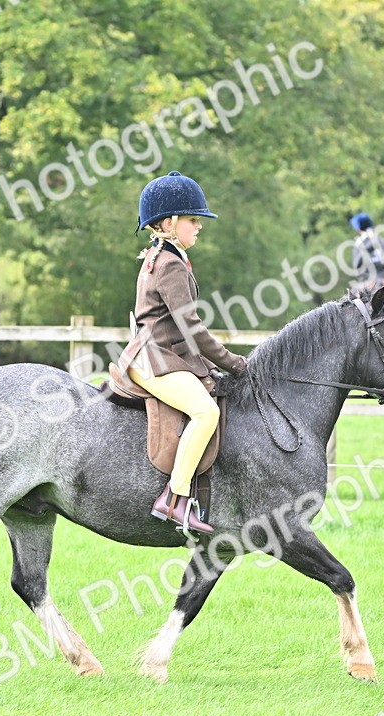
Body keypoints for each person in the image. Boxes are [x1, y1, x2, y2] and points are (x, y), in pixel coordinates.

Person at [117, 171, 248, 534]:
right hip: (154, 358)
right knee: (205, 412)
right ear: (170, 223)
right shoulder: (170, 264)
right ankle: (174, 499)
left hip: (157, 352)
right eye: (193, 220)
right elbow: (191, 327)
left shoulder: (160, 256)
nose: (199, 227)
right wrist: (232, 362)